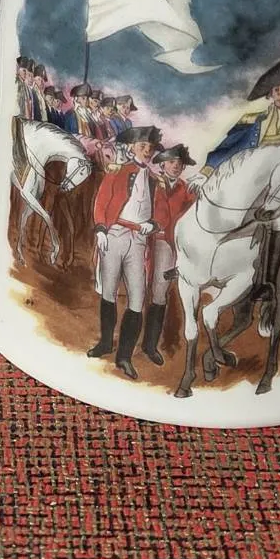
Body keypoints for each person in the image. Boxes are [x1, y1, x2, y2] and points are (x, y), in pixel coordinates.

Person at [206, 58, 280, 305]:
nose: (278, 93)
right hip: (247, 183)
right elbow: (228, 148)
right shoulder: (252, 120)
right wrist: (206, 171)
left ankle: (267, 282)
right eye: (274, 89)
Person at [88, 125, 163, 381]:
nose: (147, 151)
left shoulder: (154, 180)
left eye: (150, 148)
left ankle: (124, 357)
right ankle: (105, 343)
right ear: (132, 147)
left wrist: (152, 225)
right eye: (142, 146)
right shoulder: (118, 172)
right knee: (108, 291)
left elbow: (159, 212)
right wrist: (101, 228)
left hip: (139, 241)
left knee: (137, 299)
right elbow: (102, 201)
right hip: (115, 234)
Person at [143, 143, 196, 366]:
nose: (176, 166)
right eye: (172, 162)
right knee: (153, 292)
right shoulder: (150, 182)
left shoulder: (187, 189)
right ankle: (146, 344)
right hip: (154, 241)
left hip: (177, 245)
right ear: (163, 164)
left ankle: (151, 344)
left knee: (162, 293)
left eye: (180, 164)